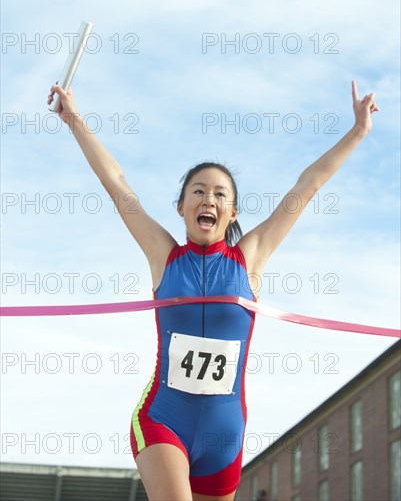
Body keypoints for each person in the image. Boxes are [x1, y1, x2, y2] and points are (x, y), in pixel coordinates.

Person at [47, 81, 378, 501]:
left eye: (220, 194)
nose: (209, 199)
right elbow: (117, 184)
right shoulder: (162, 254)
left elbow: (306, 186)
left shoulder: (251, 259)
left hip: (225, 436)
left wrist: (358, 131)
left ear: (233, 211)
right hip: (164, 419)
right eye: (198, 192)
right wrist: (73, 118)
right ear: (182, 206)